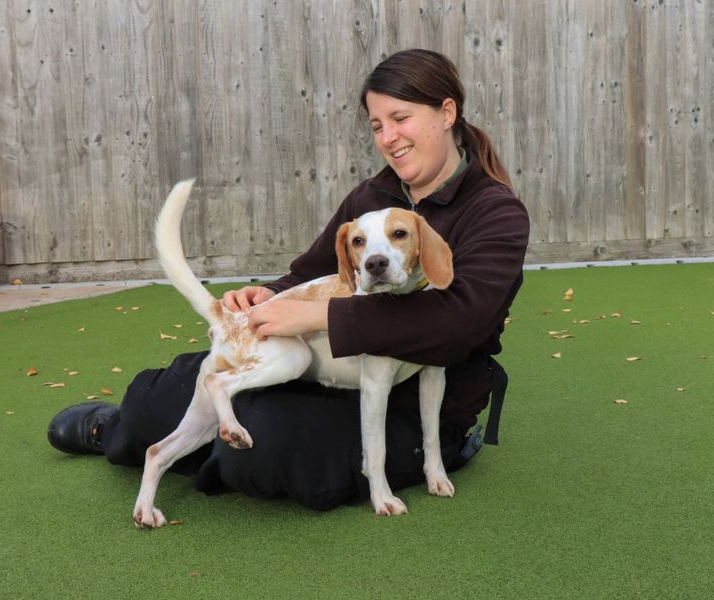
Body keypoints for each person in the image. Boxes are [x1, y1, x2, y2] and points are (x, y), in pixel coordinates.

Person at [47, 48, 529, 511]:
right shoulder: (372, 194)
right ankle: (123, 426)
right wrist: (269, 297)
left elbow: (462, 321)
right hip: (327, 368)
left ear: (447, 113)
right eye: (377, 125)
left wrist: (317, 313)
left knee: (276, 448)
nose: (388, 138)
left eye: (401, 119)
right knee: (164, 396)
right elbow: (312, 270)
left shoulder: (495, 212)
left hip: (409, 402)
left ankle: (221, 455)